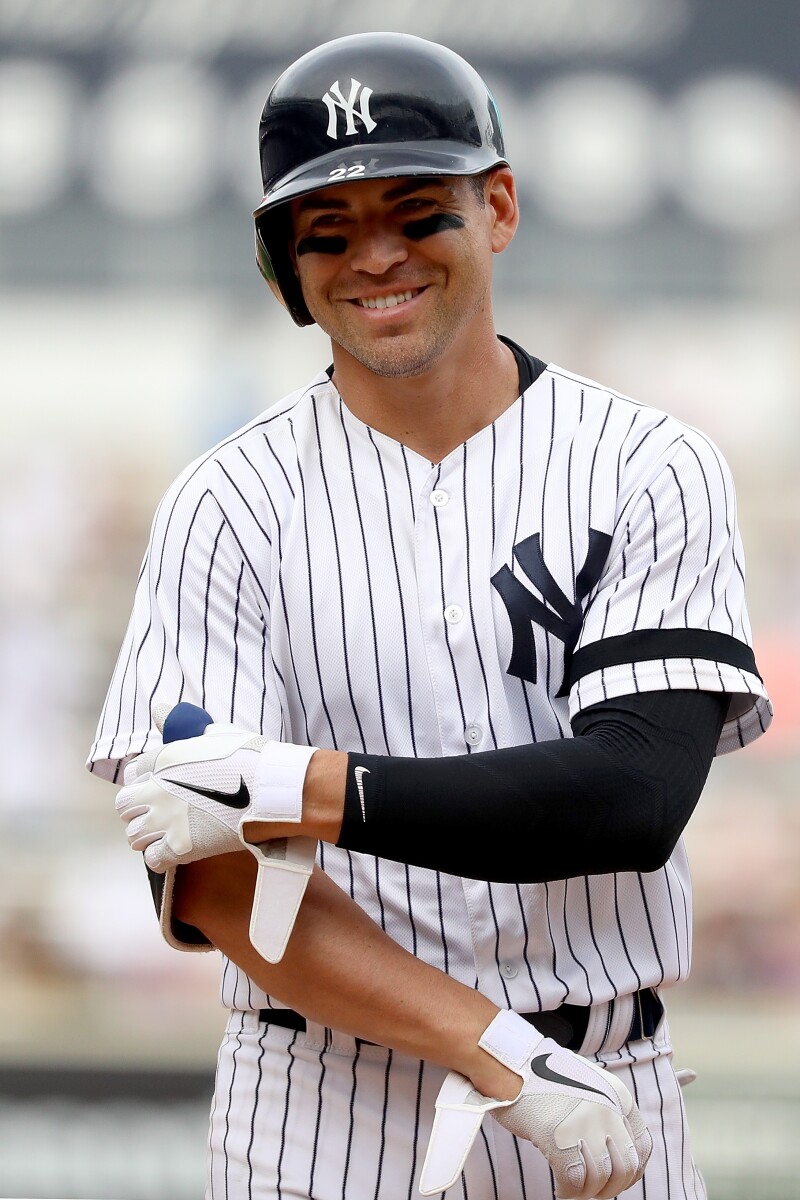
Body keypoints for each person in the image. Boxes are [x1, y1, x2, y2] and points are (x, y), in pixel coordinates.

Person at [88, 31, 771, 1200]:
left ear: (496, 207)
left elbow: (631, 797)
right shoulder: (225, 501)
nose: (376, 258)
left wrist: (298, 784)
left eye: (416, 213)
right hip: (321, 1100)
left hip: (609, 1079)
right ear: (280, 265)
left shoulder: (648, 465)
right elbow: (205, 874)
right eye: (329, 231)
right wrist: (492, 1049)